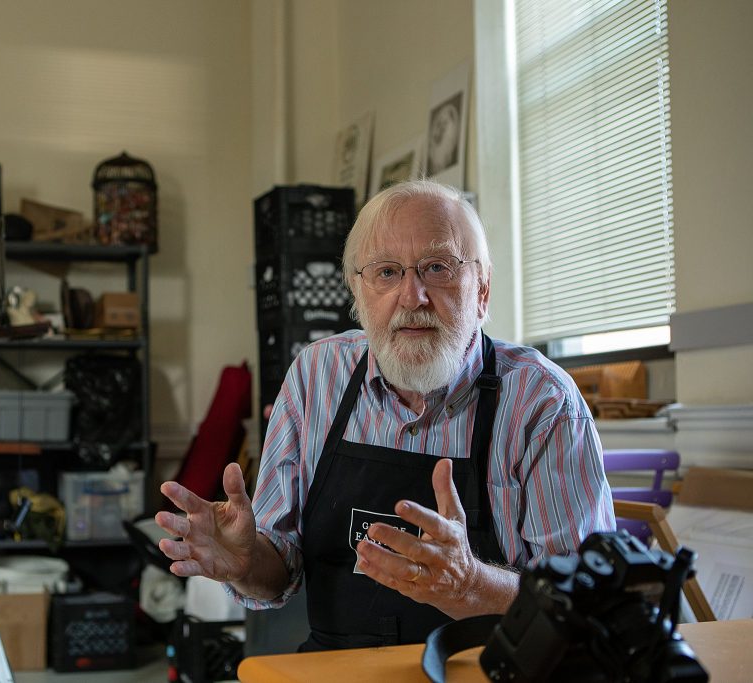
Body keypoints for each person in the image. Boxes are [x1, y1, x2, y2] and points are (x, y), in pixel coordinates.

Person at [155, 179, 615, 651]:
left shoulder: (542, 402)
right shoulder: (316, 377)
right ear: (358, 291)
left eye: (437, 268)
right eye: (387, 272)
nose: (412, 296)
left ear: (482, 289)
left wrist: (469, 584)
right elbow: (278, 575)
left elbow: (586, 603)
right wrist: (248, 562)